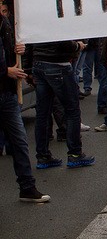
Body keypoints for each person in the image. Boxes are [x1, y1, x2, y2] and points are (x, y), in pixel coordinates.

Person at [1, 12, 50, 202]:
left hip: (8, 94)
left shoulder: (5, 22)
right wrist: (5, 71)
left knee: (20, 142)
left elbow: (7, 53)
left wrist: (16, 50)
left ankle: (27, 187)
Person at [24, 39, 95, 170]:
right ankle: (75, 154)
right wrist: (77, 46)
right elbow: (61, 41)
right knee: (72, 110)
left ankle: (43, 156)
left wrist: (28, 69)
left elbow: (29, 41)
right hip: (58, 64)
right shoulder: (55, 19)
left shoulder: (37, 19)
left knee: (42, 113)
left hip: (39, 64)